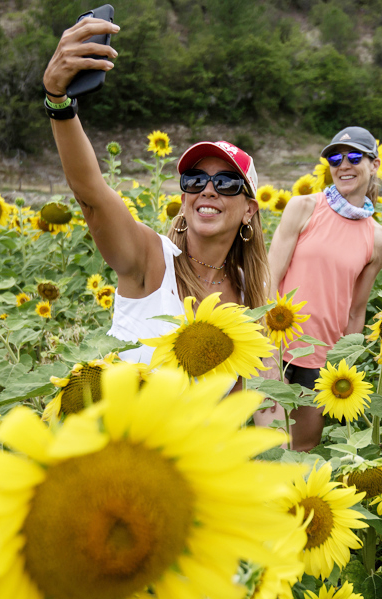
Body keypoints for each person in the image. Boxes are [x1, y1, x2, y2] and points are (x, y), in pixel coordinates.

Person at [42, 18, 268, 364]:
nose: (208, 189)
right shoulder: (151, 261)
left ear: (250, 209)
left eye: (225, 182)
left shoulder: (247, 293)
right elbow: (92, 195)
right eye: (195, 179)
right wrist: (59, 101)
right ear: (184, 199)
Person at [263, 127, 382, 450]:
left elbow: (356, 309)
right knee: (271, 449)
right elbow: (269, 275)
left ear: (374, 164)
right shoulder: (304, 207)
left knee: (304, 449)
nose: (343, 165)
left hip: (321, 359)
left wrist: (342, 366)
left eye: (354, 157)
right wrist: (264, 349)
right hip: (277, 348)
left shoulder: (378, 239)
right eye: (335, 158)